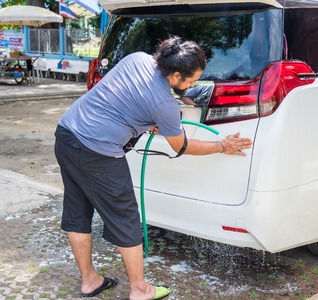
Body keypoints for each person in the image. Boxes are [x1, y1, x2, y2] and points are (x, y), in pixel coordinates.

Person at [54, 36, 252, 299]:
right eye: (191, 81)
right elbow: (180, 146)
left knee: (77, 210)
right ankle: (140, 289)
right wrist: (221, 146)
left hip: (68, 134)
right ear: (177, 74)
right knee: (126, 219)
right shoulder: (164, 104)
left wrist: (149, 120)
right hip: (98, 153)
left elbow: (123, 97)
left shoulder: (137, 58)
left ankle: (90, 281)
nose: (192, 85)